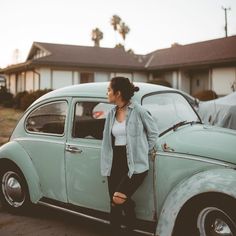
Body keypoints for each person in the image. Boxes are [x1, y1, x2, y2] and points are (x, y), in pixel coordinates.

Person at [101, 77, 159, 235]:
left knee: (117, 199)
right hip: (114, 161)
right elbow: (107, 139)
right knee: (113, 201)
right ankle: (118, 228)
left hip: (134, 163)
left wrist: (143, 151)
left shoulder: (138, 110)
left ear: (118, 93)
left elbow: (153, 133)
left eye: (109, 90)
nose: (107, 93)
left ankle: (124, 224)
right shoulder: (111, 113)